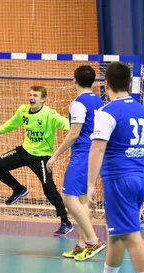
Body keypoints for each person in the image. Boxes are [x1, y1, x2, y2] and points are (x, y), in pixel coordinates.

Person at [83, 62, 144, 273]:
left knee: (131, 236)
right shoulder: (142, 111)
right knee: (116, 233)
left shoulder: (107, 112)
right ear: (129, 84)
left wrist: (90, 185)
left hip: (119, 179)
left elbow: (97, 148)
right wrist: (141, 167)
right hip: (139, 178)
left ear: (106, 85)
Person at [0, 86, 73, 236]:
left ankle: (65, 222)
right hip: (24, 151)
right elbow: (13, 122)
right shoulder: (23, 110)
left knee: (49, 189)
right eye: (30, 95)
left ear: (43, 99)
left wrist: (84, 127)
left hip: (41, 157)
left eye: (35, 95)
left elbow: (68, 125)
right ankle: (18, 189)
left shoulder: (50, 115)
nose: (31, 98)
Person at [46, 66, 106, 260]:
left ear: (74, 81)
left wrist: (55, 155)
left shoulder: (78, 103)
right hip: (94, 153)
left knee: (69, 198)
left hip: (82, 154)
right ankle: (82, 245)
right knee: (81, 200)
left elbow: (74, 133)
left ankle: (93, 240)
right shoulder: (99, 101)